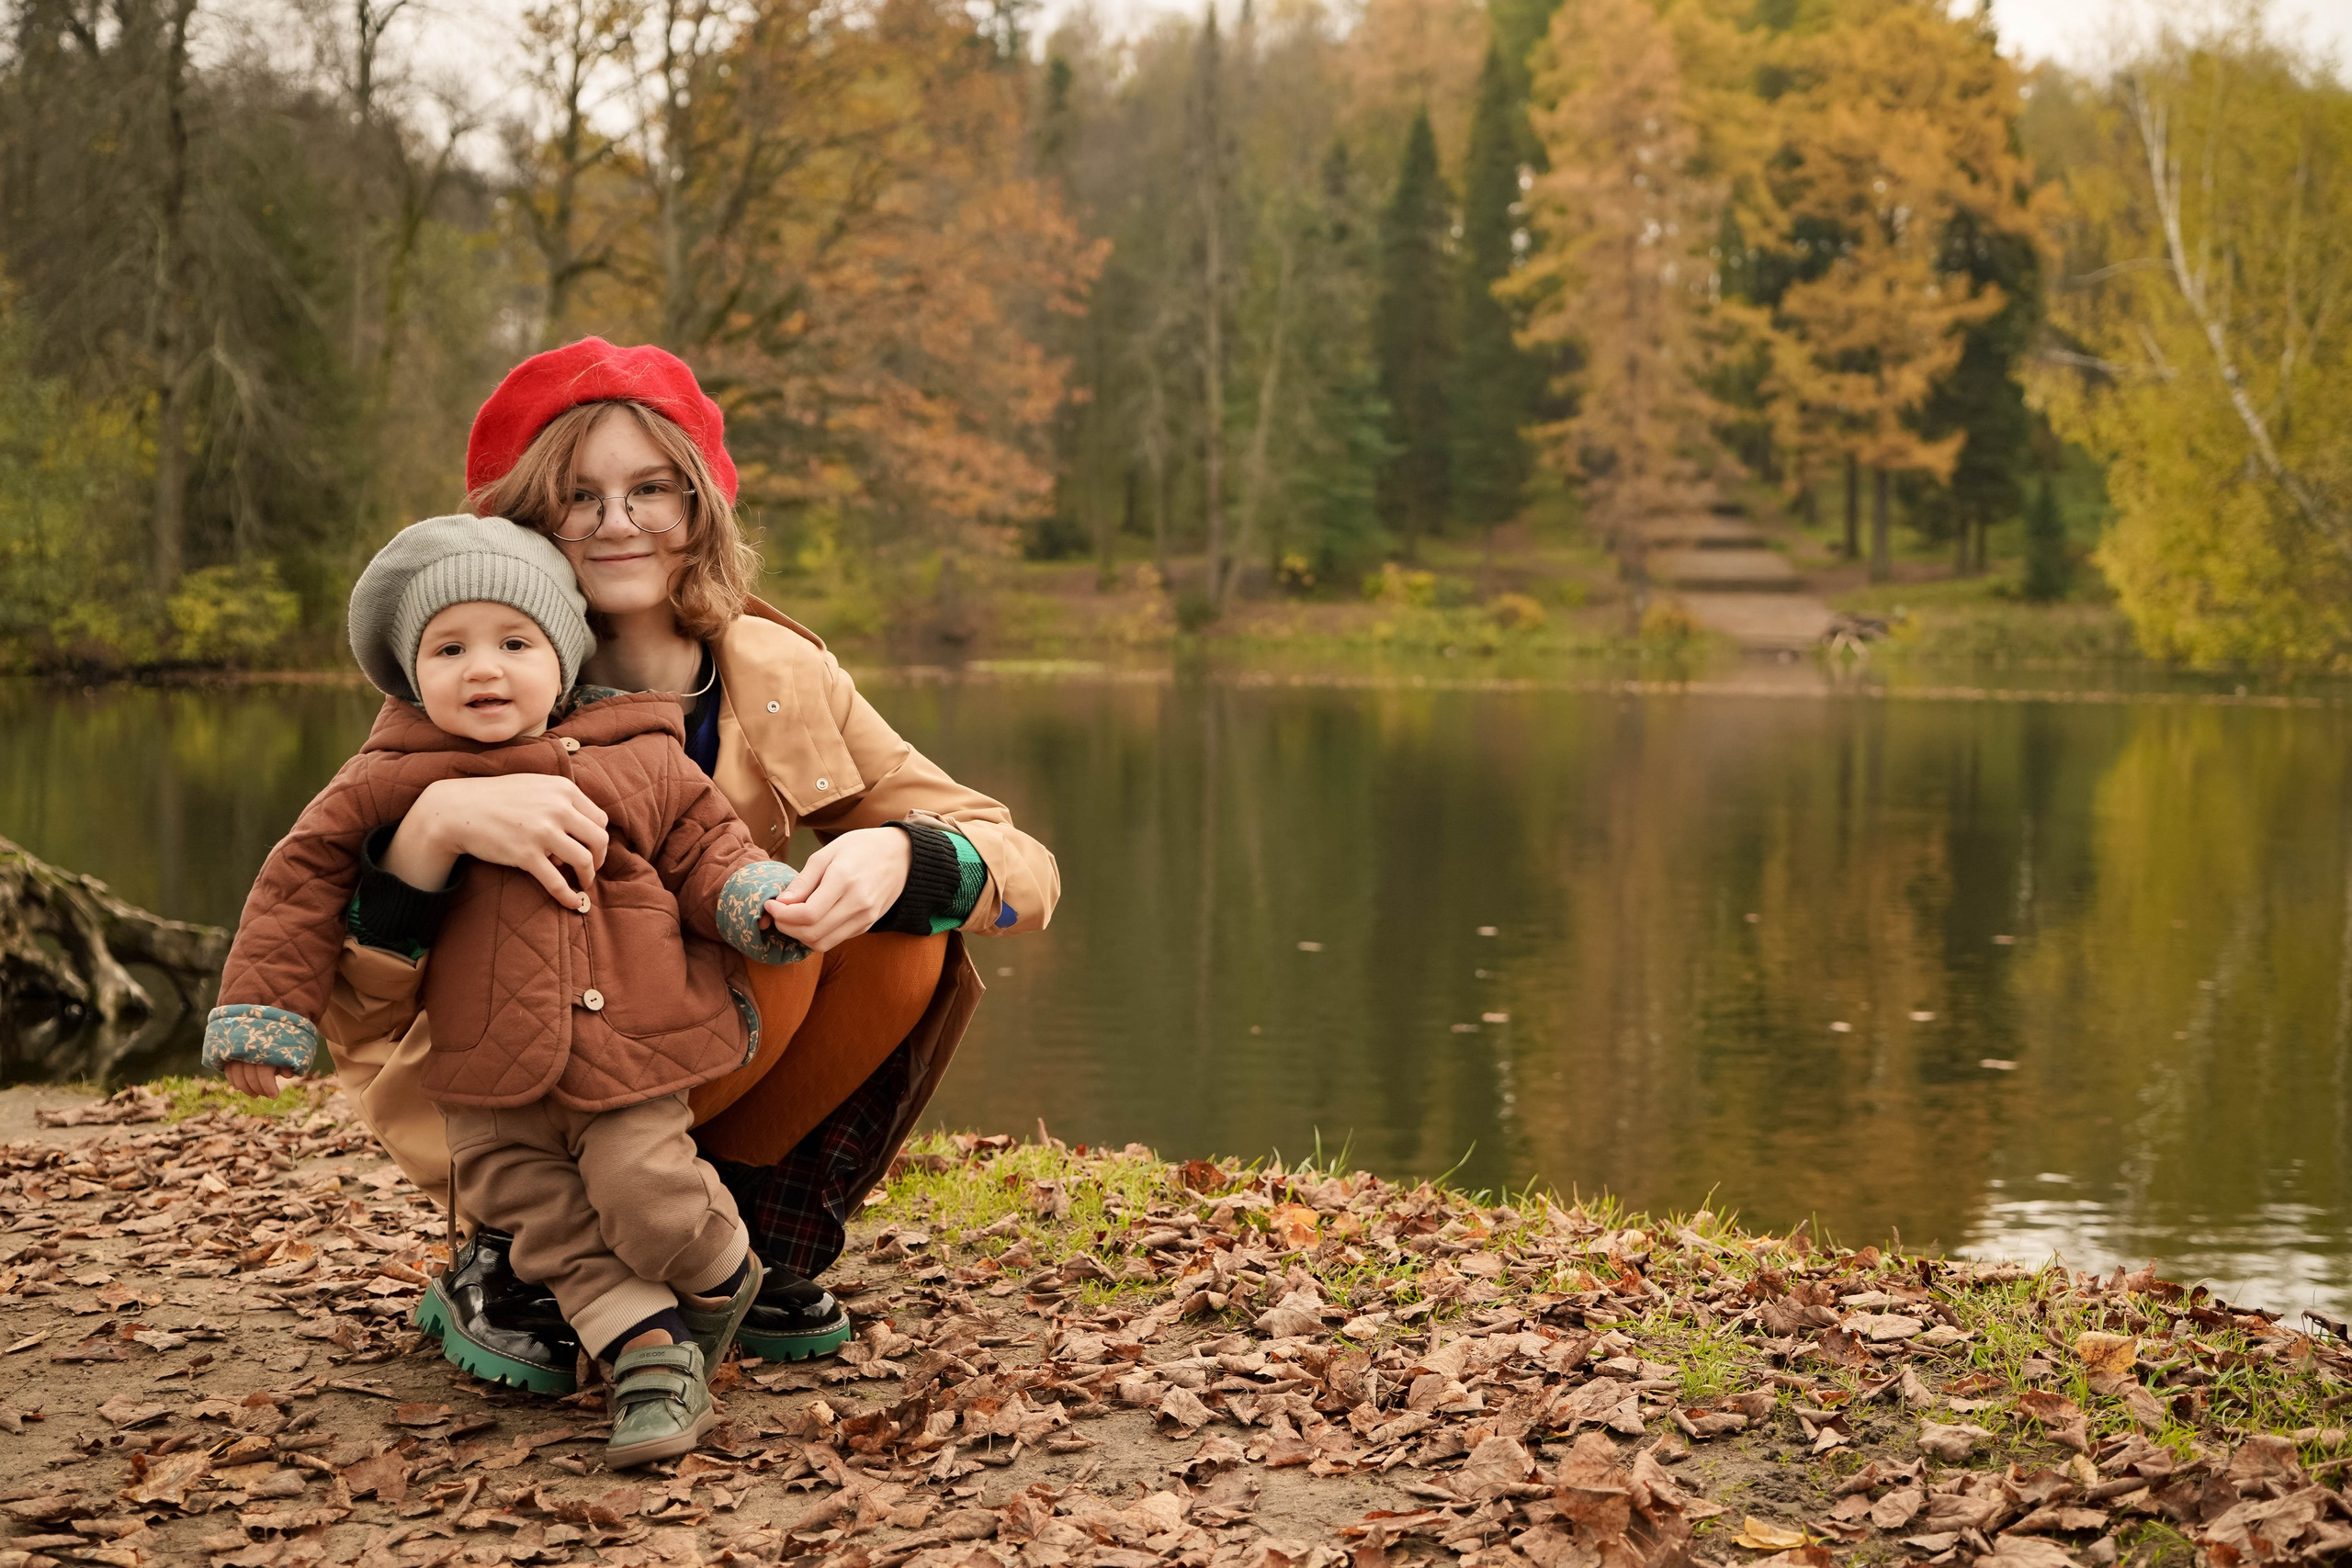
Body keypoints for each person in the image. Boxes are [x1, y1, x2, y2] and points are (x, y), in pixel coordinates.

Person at [245, 337, 1059, 1393]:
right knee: (744, 948)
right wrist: (435, 829)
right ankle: (516, 1251)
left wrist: (901, 854)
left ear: (700, 507)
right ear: (521, 523)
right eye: (578, 497)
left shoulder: (776, 672)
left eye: (650, 490)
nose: (618, 522)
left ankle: (740, 1221)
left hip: (690, 1037)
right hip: (503, 1081)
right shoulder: (463, 687)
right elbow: (357, 1010)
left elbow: (1019, 859)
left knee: (881, 930)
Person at [205, 515, 803, 1465]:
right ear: (410, 673)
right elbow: (298, 883)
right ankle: (650, 1362)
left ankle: (722, 1274)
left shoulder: (636, 752)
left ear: (561, 659)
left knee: (642, 1190)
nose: (483, 669)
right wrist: (265, 1014)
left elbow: (706, 844)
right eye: (450, 648)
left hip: (623, 1047)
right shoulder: (383, 779)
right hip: (480, 1072)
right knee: (550, 1225)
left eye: (514, 644)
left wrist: (753, 899)